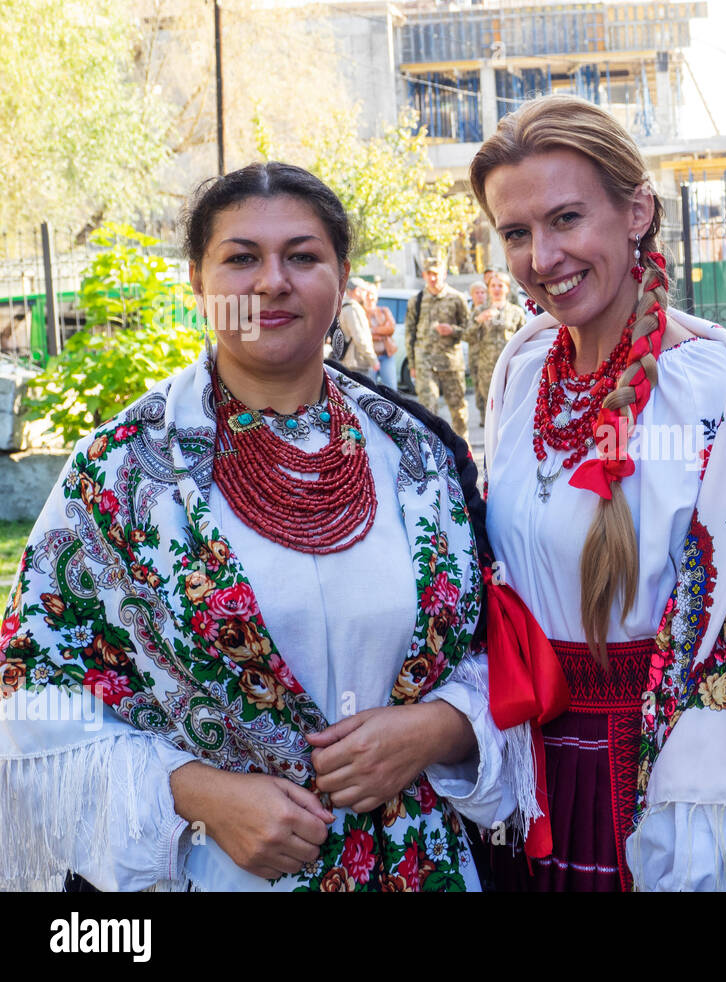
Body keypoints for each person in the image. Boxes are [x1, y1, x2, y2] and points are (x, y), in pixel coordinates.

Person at [0, 161, 530, 891]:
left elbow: (497, 641)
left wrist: (438, 728)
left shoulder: (420, 454)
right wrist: (198, 793)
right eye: (241, 257)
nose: (272, 282)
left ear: (342, 279)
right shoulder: (118, 474)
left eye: (303, 256)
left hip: (422, 865)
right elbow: (32, 687)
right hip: (217, 867)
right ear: (197, 279)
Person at [469, 93, 726, 892]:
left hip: (666, 782)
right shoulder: (520, 369)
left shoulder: (713, 376)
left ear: (636, 212)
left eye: (566, 219)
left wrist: (703, 844)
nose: (543, 256)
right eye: (517, 233)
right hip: (534, 769)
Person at [406, 256, 471, 440]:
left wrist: (453, 330)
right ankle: (433, 451)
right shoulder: (416, 300)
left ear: (444, 273)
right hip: (425, 363)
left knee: (458, 409)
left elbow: (470, 330)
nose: (432, 278)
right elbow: (410, 332)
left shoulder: (457, 298)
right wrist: (412, 364)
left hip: (450, 362)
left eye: (435, 274)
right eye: (428, 274)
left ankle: (463, 449)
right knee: (427, 410)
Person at [470, 274, 525, 428]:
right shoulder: (480, 310)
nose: (496, 289)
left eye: (500, 285)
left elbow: (525, 341)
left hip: (511, 368)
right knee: (491, 414)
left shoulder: (516, 312)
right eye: (493, 286)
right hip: (487, 370)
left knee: (511, 409)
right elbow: (467, 336)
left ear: (507, 289)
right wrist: (479, 320)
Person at [330, 278, 381, 377]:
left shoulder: (343, 306)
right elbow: (360, 338)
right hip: (356, 363)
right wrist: (373, 360)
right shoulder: (353, 309)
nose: (365, 294)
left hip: (348, 361)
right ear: (357, 291)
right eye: (364, 291)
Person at [357, 278, 399, 389]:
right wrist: (381, 331)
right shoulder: (360, 312)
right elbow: (361, 333)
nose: (370, 297)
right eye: (368, 294)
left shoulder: (384, 310)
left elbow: (391, 328)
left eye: (373, 294)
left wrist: (372, 330)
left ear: (376, 296)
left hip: (386, 355)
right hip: (369, 358)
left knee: (391, 389)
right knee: (369, 389)